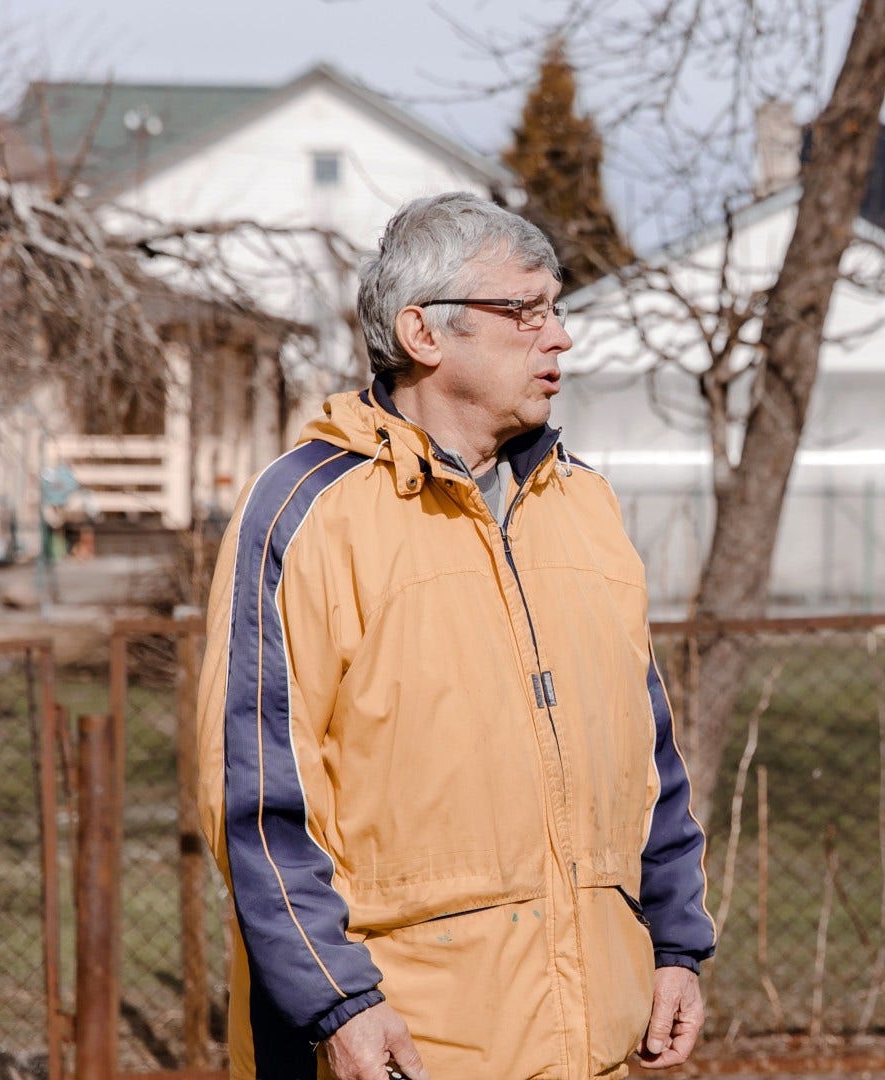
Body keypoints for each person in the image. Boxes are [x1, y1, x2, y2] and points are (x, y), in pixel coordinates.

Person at [193, 193, 715, 1079]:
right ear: (424, 334)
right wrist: (340, 1006)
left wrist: (675, 945)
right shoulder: (305, 510)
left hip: (598, 1039)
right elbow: (259, 802)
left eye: (559, 309)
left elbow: (646, 756)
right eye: (527, 311)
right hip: (402, 1049)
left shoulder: (585, 504)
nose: (560, 337)